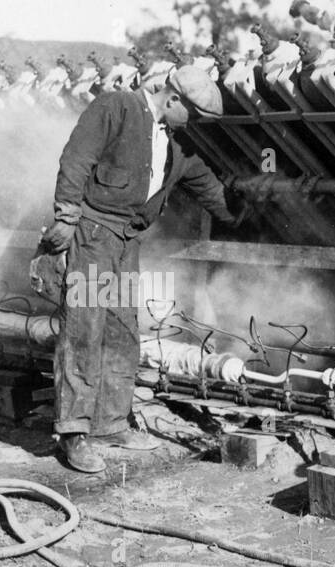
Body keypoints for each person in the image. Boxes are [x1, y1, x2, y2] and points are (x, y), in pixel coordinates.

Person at [40, 66, 242, 473]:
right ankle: (73, 434)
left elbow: (211, 190)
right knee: (84, 328)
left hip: (126, 242)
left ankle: (111, 424)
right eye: (195, 116)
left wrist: (244, 208)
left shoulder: (176, 149)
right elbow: (77, 156)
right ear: (173, 100)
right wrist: (65, 214)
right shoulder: (116, 107)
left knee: (122, 329)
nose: (197, 127)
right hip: (93, 234)